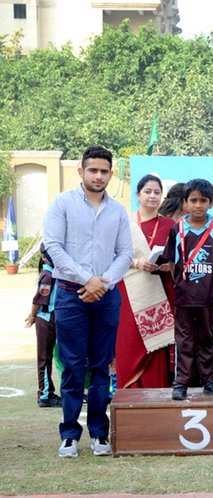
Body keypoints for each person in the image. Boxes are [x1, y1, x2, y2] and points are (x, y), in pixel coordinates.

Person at [44, 145, 133, 458]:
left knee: (101, 366)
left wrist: (102, 283)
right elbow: (53, 247)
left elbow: (125, 253)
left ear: (111, 174)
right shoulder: (62, 204)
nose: (98, 176)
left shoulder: (118, 210)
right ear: (81, 171)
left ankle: (99, 432)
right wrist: (87, 280)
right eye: (93, 170)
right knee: (72, 366)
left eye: (104, 171)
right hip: (71, 294)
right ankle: (69, 434)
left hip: (106, 296)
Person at [162, 179, 213, 400]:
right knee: (184, 340)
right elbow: (172, 263)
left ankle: (209, 380)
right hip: (184, 297)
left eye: (203, 200)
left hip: (208, 298)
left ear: (211, 203)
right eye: (193, 200)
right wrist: (182, 284)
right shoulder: (177, 229)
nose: (198, 205)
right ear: (185, 202)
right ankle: (181, 382)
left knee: (207, 339)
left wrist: (211, 285)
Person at [114, 174, 175, 389]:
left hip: (160, 290)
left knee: (157, 345)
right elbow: (112, 255)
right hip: (129, 292)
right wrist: (136, 263)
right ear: (138, 195)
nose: (152, 196)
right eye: (147, 191)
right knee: (129, 341)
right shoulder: (125, 223)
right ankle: (128, 393)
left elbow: (178, 257)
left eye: (157, 192)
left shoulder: (170, 225)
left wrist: (169, 266)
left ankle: (156, 393)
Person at [24, 245, 61, 408]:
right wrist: (32, 316)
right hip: (46, 319)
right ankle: (45, 394)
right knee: (45, 357)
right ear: (44, 256)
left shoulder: (53, 272)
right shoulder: (48, 274)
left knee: (53, 356)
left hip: (52, 318)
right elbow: (38, 300)